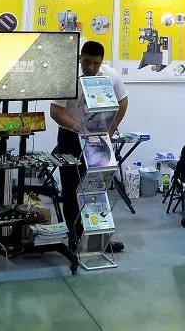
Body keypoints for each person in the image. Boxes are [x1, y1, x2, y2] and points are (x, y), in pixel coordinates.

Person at [50, 40, 128, 253]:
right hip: (70, 137)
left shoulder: (111, 75)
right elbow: (56, 111)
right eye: (86, 62)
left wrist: (109, 131)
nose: (91, 67)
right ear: (80, 58)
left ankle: (98, 239)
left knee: (97, 188)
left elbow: (123, 102)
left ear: (101, 62)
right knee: (71, 188)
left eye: (95, 63)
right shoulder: (68, 77)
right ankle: (74, 237)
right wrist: (79, 128)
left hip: (98, 138)